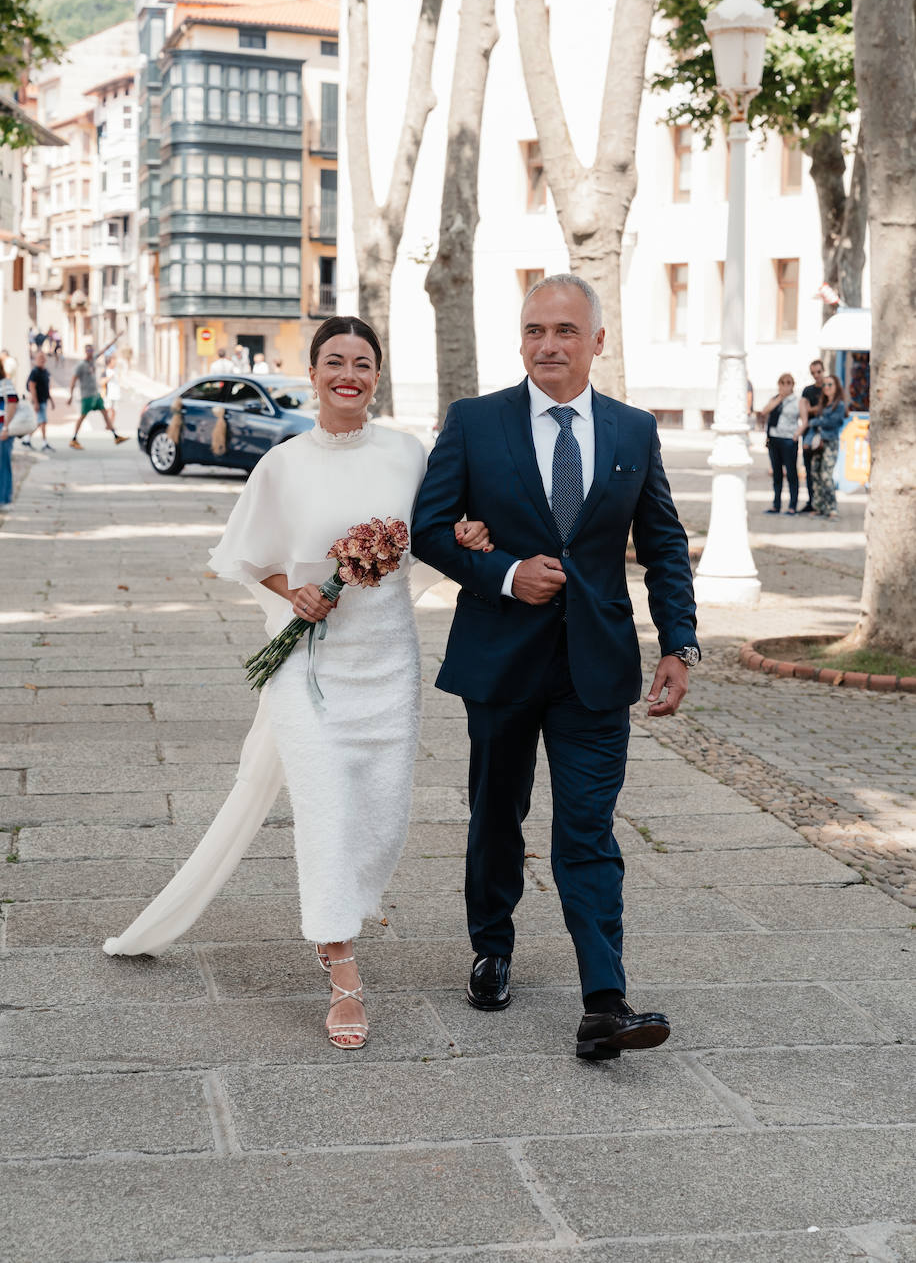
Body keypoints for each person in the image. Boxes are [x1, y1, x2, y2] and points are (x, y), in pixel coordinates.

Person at [103, 316, 491, 1051]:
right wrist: (296, 593)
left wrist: (466, 535)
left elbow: (435, 534)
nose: (349, 374)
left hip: (387, 662)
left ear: (377, 376)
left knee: (382, 814)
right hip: (308, 665)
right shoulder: (283, 464)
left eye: (363, 363)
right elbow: (246, 558)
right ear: (312, 374)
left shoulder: (408, 454)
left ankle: (342, 912)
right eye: (334, 361)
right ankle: (342, 965)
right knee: (325, 813)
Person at [411, 274, 700, 1063]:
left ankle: (605, 1002)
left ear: (597, 341)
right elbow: (428, 528)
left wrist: (679, 644)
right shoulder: (474, 422)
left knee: (587, 831)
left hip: (595, 666)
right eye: (535, 330)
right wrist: (505, 572)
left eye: (566, 331)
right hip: (500, 659)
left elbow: (664, 544)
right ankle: (491, 946)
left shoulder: (634, 431)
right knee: (496, 813)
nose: (548, 344)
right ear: (521, 340)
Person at [67, 344, 128, 449]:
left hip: (96, 394)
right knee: (82, 417)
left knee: (105, 413)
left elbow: (103, 351)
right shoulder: (81, 365)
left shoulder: (92, 361)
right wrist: (71, 395)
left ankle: (115, 436)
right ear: (85, 352)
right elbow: (73, 380)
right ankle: (74, 439)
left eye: (91, 350)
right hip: (87, 396)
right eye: (88, 350)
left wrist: (115, 340)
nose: (90, 352)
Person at [805, 373, 847, 520]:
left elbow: (832, 422)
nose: (827, 387)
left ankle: (832, 508)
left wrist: (815, 421)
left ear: (836, 387)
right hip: (818, 443)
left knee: (826, 475)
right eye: (825, 385)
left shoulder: (839, 405)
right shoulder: (822, 404)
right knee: (815, 474)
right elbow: (816, 426)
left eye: (830, 384)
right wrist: (808, 440)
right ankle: (819, 507)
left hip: (830, 443)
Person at [760, 373, 802, 514]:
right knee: (776, 473)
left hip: (789, 440)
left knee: (791, 473)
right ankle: (776, 505)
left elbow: (804, 419)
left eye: (788, 382)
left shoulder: (797, 401)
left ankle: (792, 506)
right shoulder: (775, 399)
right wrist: (780, 398)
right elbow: (764, 411)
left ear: (793, 385)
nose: (785, 385)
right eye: (782, 383)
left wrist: (796, 434)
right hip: (774, 439)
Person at [799, 359, 825, 513]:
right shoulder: (807, 390)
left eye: (818, 372)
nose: (816, 375)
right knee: (809, 470)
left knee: (822, 471)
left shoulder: (829, 387)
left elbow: (829, 408)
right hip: (808, 434)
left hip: (824, 435)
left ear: (823, 371)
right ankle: (811, 502)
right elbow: (804, 410)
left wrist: (812, 409)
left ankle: (822, 503)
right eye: (813, 373)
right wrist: (816, 409)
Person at [24, 350, 54, 451]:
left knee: (40, 421)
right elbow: (31, 387)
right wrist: (35, 402)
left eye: (43, 358)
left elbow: (47, 387)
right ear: (36, 359)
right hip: (39, 400)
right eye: (40, 358)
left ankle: (27, 439)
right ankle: (44, 442)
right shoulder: (35, 372)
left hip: (44, 399)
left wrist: (51, 399)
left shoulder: (45, 371)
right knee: (43, 421)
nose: (42, 360)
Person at [0, 358, 19, 509]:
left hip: (2, 426)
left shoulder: (5, 383)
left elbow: (12, 403)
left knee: (3, 463)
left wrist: (6, 427)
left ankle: (5, 499)